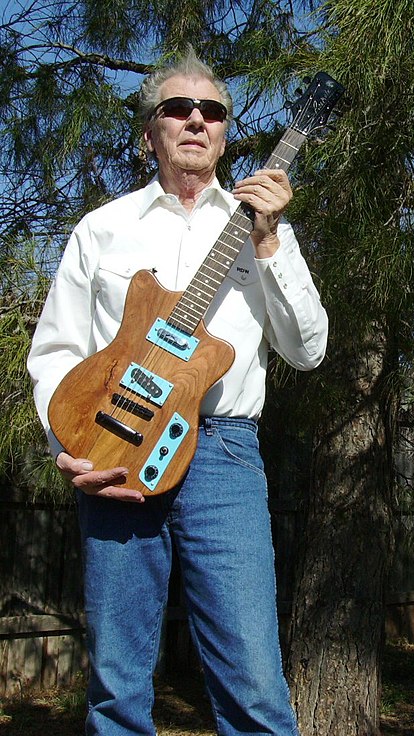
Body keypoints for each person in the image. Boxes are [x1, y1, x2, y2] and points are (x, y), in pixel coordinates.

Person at [28, 49, 328, 736]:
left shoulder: (262, 228)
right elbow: (55, 351)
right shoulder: (103, 230)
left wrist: (272, 240)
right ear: (150, 133)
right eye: (177, 108)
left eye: (213, 111)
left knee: (254, 685)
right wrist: (70, 446)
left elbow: (308, 351)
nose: (196, 119)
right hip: (113, 447)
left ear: (225, 133)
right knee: (116, 686)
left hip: (224, 453)